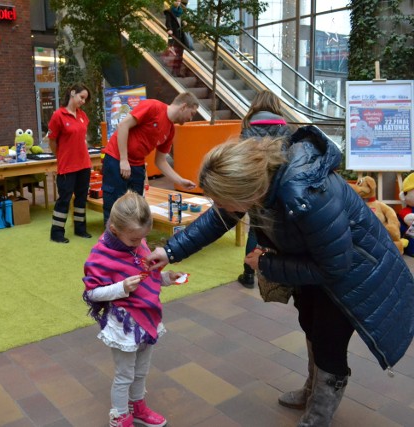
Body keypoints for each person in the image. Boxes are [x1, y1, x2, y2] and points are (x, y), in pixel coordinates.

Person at [147, 127, 414, 426]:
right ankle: (312, 391)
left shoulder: (305, 195)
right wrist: (170, 252)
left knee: (329, 341)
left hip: (349, 275)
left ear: (247, 192)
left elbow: (336, 267)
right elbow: (220, 216)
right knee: (310, 324)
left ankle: (319, 414)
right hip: (313, 263)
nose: (220, 207)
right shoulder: (260, 180)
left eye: (223, 200)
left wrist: (267, 264)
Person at [83, 191, 187, 427]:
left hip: (147, 318)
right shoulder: (100, 255)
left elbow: (146, 274)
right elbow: (92, 293)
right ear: (114, 229)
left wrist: (168, 278)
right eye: (133, 240)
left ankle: (137, 407)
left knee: (141, 371)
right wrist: (120, 288)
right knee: (124, 375)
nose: (139, 244)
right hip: (123, 325)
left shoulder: (136, 241)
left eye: (142, 238)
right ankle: (120, 417)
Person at [101, 92, 199, 224]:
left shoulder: (171, 130)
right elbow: (123, 125)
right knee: (113, 202)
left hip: (137, 164)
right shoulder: (153, 107)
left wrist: (180, 181)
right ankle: (110, 241)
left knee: (137, 206)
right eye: (191, 114)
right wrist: (123, 160)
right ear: (183, 106)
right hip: (116, 158)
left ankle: (133, 240)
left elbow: (160, 161)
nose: (190, 119)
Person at [236, 90, 293, 288]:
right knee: (277, 227)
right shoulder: (285, 128)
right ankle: (276, 272)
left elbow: (242, 155)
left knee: (255, 229)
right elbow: (289, 158)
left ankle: (248, 274)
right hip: (278, 185)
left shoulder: (247, 126)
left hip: (255, 184)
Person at [47, 83, 92, 243]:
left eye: (85, 99)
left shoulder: (82, 115)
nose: (83, 101)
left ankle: (80, 229)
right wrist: (60, 155)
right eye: (81, 97)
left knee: (81, 198)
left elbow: (82, 137)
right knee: (64, 199)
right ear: (73, 93)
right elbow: (52, 141)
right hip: (67, 166)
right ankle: (57, 233)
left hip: (84, 164)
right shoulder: (58, 115)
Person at [164, 0, 187, 77]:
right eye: (176, 1)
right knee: (177, 53)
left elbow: (183, 21)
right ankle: (175, 71)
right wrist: (169, 29)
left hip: (181, 35)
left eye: (179, 1)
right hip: (174, 35)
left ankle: (177, 71)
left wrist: (184, 22)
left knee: (180, 54)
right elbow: (168, 22)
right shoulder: (169, 11)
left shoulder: (181, 11)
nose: (178, 3)